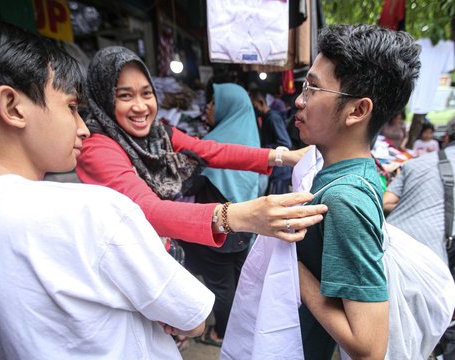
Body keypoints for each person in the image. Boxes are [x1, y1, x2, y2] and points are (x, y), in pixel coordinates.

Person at [0, 19, 215, 359]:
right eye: (72, 108)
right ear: (13, 107)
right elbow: (192, 316)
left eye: (147, 93)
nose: (82, 128)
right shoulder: (95, 211)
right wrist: (231, 216)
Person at [75, 46, 328, 249]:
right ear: (104, 98)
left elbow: (211, 151)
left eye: (146, 93)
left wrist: (286, 156)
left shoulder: (159, 134)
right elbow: (146, 208)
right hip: (121, 255)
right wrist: (242, 216)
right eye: (125, 96)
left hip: (156, 246)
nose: (141, 106)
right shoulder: (97, 146)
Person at [294, 24, 420, 359]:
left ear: (358, 110)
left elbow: (369, 346)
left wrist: (289, 264)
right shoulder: (349, 171)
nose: (299, 99)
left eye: (312, 89)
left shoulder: (345, 199)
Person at [181, 82, 260, 346]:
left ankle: (221, 333)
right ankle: (241, 328)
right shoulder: (251, 138)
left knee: (221, 285)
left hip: (219, 227)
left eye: (214, 102)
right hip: (245, 226)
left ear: (228, 107)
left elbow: (190, 184)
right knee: (237, 281)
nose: (209, 108)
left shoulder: (215, 144)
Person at [383, 118, 455, 360]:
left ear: (445, 138)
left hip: (388, 249)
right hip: (431, 268)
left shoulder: (417, 163)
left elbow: (386, 200)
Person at [250, 88, 294, 194]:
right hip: (274, 171)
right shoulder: (266, 118)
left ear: (261, 102)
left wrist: (264, 149)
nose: (253, 110)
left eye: (254, 106)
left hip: (280, 172)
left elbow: (286, 143)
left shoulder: (273, 118)